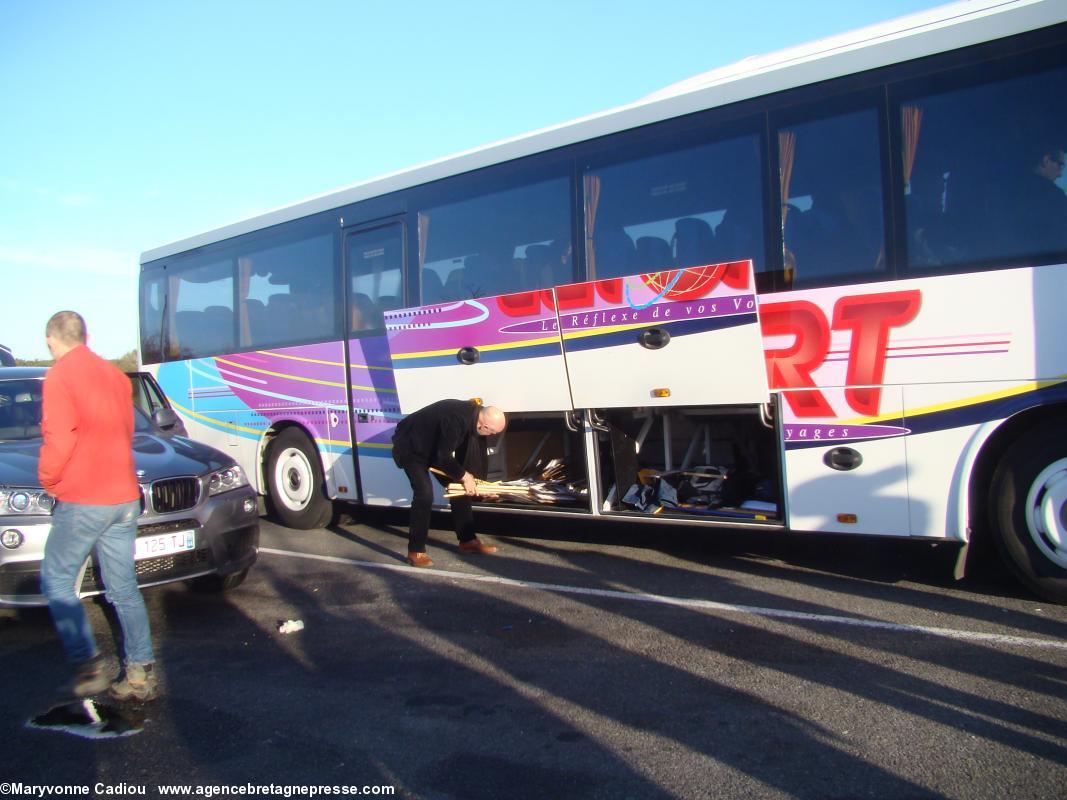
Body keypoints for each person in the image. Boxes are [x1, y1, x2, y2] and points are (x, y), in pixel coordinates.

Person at [38, 311, 159, 701]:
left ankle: (88, 665)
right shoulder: (112, 375)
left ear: (52, 340)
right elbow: (124, 430)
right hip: (123, 494)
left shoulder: (59, 376)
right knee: (123, 586)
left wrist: (49, 482)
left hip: (84, 496)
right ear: (84, 336)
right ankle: (139, 673)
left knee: (57, 579)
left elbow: (59, 440)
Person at [391, 399, 507, 567]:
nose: (491, 436)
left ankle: (468, 542)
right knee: (424, 495)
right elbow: (442, 457)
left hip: (432, 448)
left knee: (459, 488)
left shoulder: (473, 417)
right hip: (411, 447)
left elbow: (462, 460)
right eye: (492, 433)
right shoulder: (457, 420)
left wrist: (479, 486)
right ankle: (415, 551)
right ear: (483, 426)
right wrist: (465, 476)